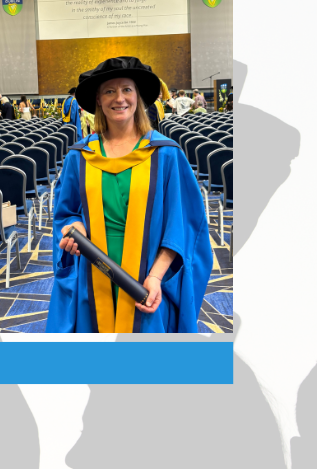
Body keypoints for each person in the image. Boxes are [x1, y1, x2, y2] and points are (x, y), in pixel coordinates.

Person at [47, 57, 213, 333]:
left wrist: (157, 277)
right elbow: (66, 213)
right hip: (93, 273)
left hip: (146, 275)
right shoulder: (80, 156)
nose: (119, 98)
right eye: (109, 91)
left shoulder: (166, 154)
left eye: (127, 89)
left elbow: (182, 225)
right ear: (98, 100)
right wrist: (73, 225)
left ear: (138, 97)